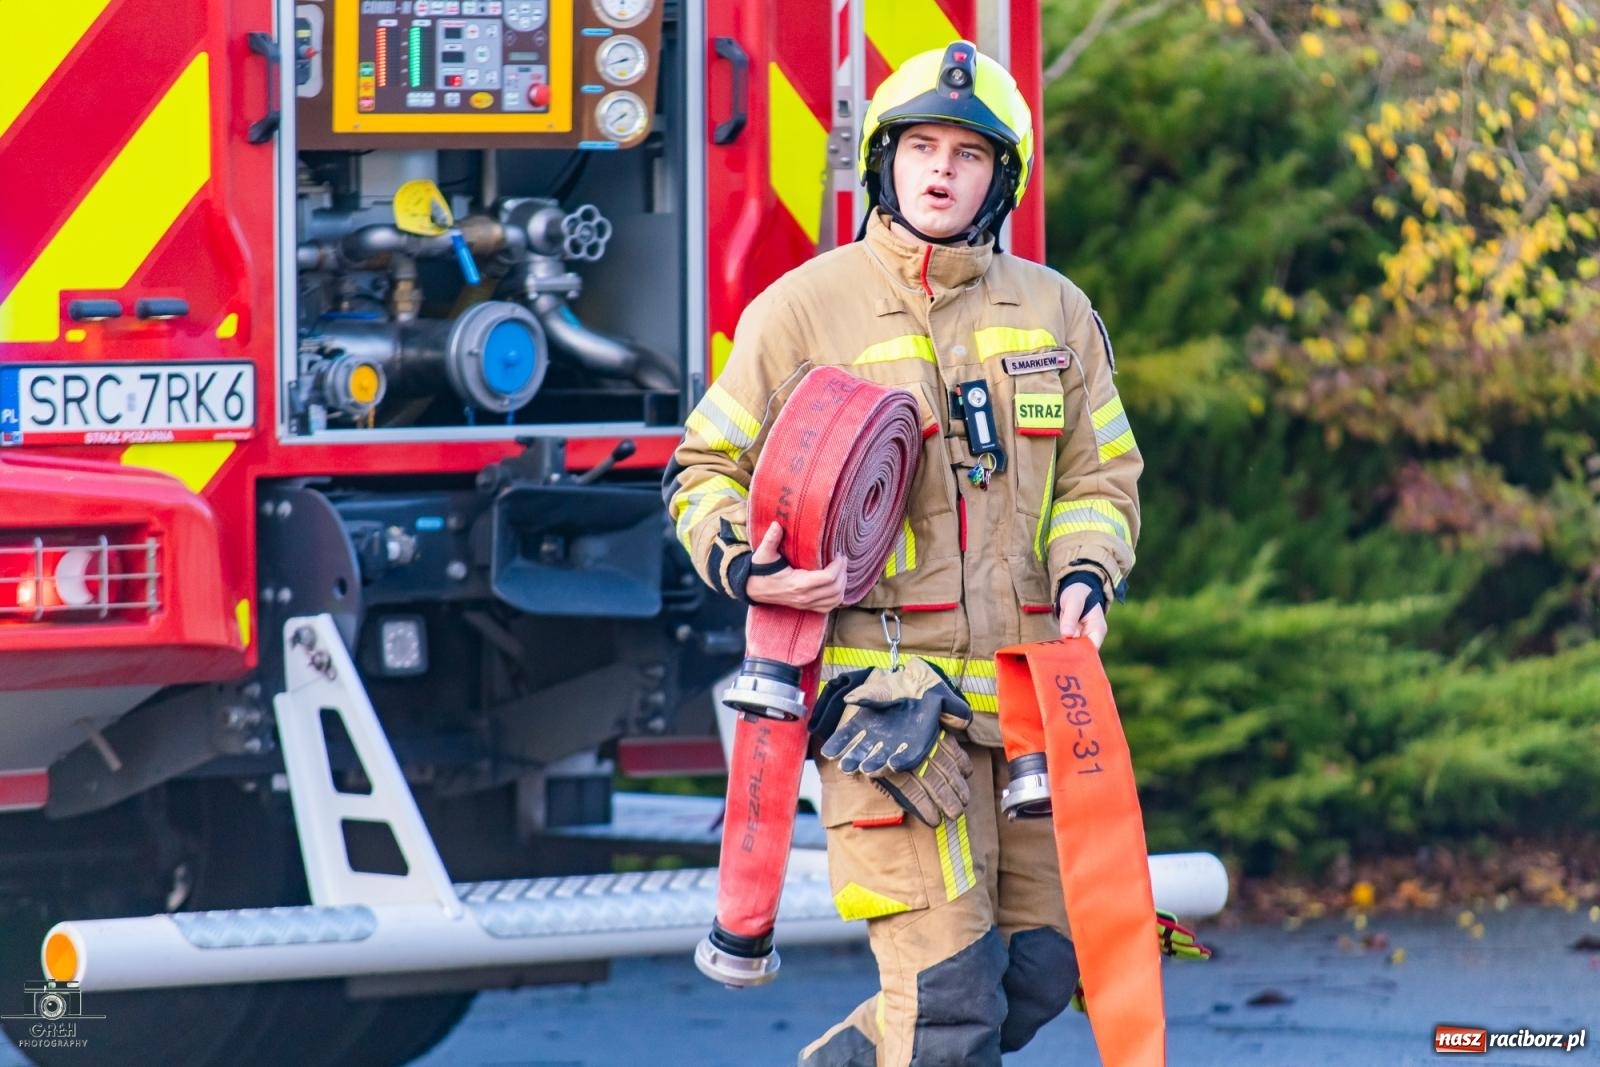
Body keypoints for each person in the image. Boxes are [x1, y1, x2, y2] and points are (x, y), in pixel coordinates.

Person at [663, 41, 1141, 1066]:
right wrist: (753, 566)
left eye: (967, 155)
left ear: (997, 179)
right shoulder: (803, 309)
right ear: (883, 163)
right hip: (889, 717)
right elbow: (701, 469)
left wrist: (1085, 575)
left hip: (1027, 711)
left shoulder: (1055, 311)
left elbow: (1101, 479)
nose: (939, 170)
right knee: (946, 1001)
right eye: (920, 146)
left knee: (1046, 965)